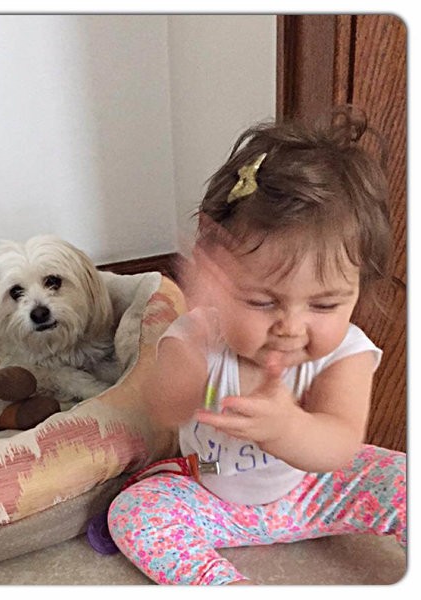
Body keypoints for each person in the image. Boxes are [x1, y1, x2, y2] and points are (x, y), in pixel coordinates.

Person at [107, 106, 406, 585]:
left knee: (406, 478)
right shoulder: (197, 335)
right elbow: (165, 408)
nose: (291, 326)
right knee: (132, 513)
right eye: (262, 301)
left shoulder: (346, 352)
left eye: (324, 304)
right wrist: (197, 340)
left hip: (315, 490)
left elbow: (339, 447)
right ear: (217, 273)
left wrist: (286, 427)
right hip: (213, 493)